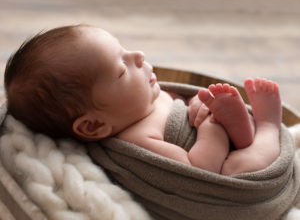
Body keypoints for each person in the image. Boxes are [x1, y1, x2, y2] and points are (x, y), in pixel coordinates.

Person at [4, 24, 282, 175]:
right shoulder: (138, 138)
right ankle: (269, 124)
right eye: (123, 69)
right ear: (93, 126)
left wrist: (197, 104)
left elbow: (180, 104)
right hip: (220, 164)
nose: (138, 55)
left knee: (235, 131)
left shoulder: (143, 101)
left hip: (223, 135)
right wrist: (212, 126)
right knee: (239, 168)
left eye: (125, 49)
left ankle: (244, 128)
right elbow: (200, 170)